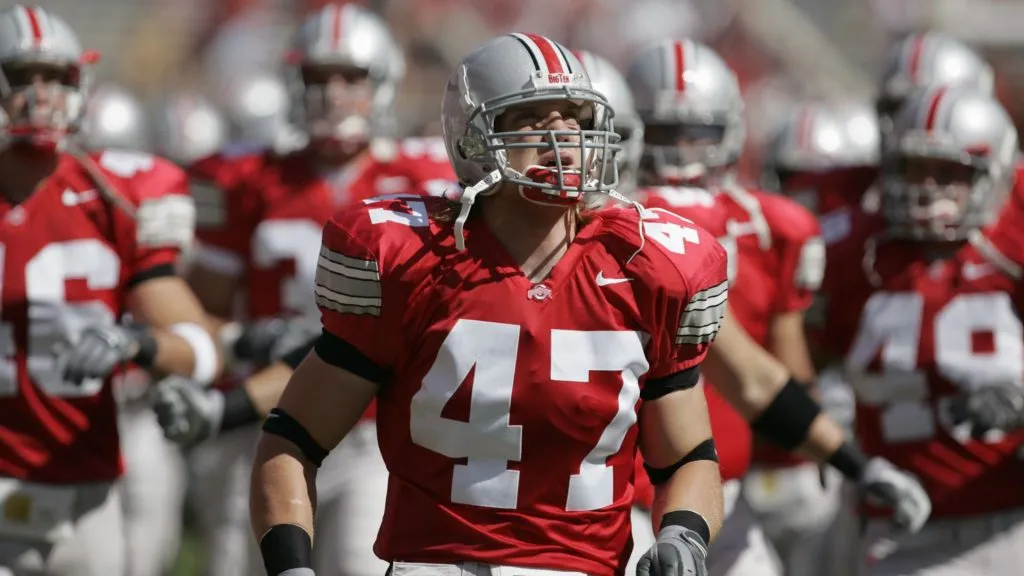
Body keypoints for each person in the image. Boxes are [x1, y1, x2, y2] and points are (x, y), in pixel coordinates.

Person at [251, 32, 730, 576]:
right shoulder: (414, 260)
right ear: (473, 140)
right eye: (532, 118)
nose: (562, 136)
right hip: (433, 567)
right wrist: (291, 567)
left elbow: (688, 457)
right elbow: (293, 438)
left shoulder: (646, 264)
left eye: (575, 119)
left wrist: (684, 534)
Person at [182, 4, 454, 576]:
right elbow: (203, 308)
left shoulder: (425, 180)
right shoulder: (248, 178)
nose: (333, 94)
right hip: (264, 415)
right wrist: (242, 342)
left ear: (382, 84)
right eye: (318, 78)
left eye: (350, 78)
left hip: (371, 427)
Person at [0, 5, 221, 575]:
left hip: (86, 488)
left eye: (57, 77)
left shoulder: (115, 194)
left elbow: (199, 347)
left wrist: (135, 345)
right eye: (22, 76)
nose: (41, 95)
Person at [818, 85, 1024, 575]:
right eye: (914, 168)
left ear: (995, 173)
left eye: (949, 172)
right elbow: (794, 359)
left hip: (1012, 517)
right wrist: (824, 405)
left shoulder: (1010, 247)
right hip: (902, 526)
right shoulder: (854, 251)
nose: (927, 188)